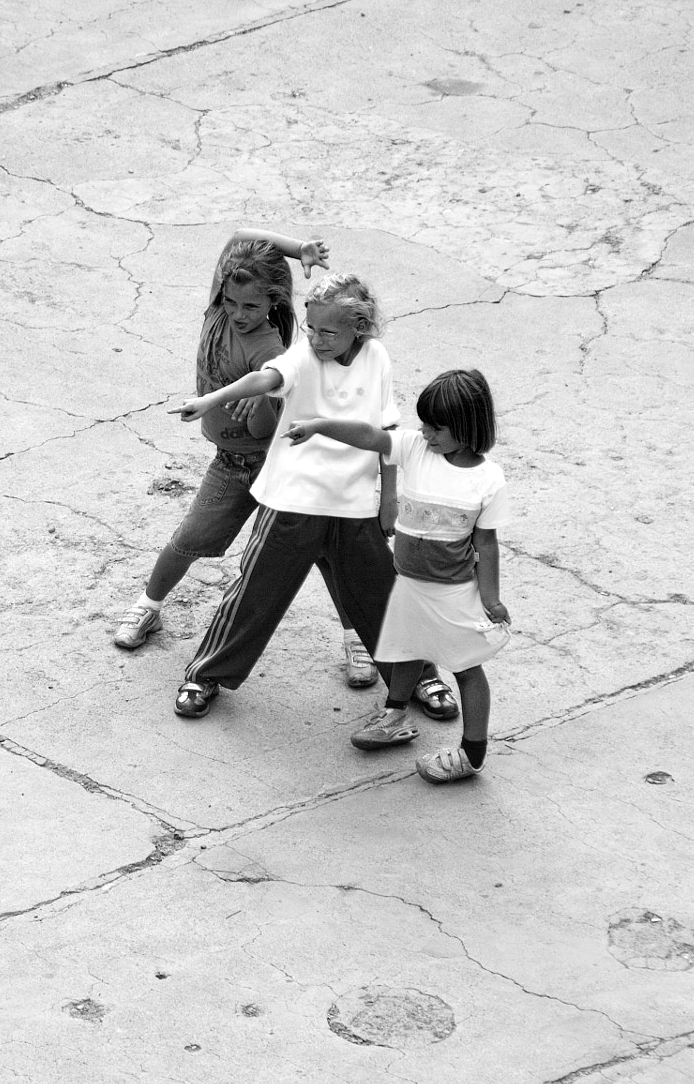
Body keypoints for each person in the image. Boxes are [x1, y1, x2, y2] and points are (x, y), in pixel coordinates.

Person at [169, 274, 402, 720]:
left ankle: (421, 676)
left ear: (361, 326)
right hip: (292, 496)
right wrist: (210, 400)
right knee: (256, 593)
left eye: (329, 331)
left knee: (382, 593)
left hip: (352, 500)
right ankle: (205, 675)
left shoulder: (377, 358)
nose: (316, 339)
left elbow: (387, 434)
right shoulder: (305, 354)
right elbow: (267, 377)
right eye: (311, 328)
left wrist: (388, 500)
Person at [288, 369, 510, 780]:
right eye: (423, 423)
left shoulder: (487, 480)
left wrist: (491, 598)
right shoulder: (414, 448)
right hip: (408, 585)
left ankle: (472, 753)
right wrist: (320, 426)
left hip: (453, 593)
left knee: (466, 669)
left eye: (436, 426)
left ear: (467, 427)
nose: (425, 432)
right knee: (405, 650)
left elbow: (487, 543)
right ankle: (394, 713)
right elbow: (370, 436)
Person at [110, 228, 325, 650]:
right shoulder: (218, 308)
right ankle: (147, 606)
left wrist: (261, 401)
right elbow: (240, 236)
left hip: (263, 463)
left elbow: (264, 433)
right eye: (231, 301)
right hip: (230, 462)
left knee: (324, 551)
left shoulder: (268, 352)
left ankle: (356, 636)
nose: (238, 313)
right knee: (189, 539)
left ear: (273, 303)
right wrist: (298, 248)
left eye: (250, 306)